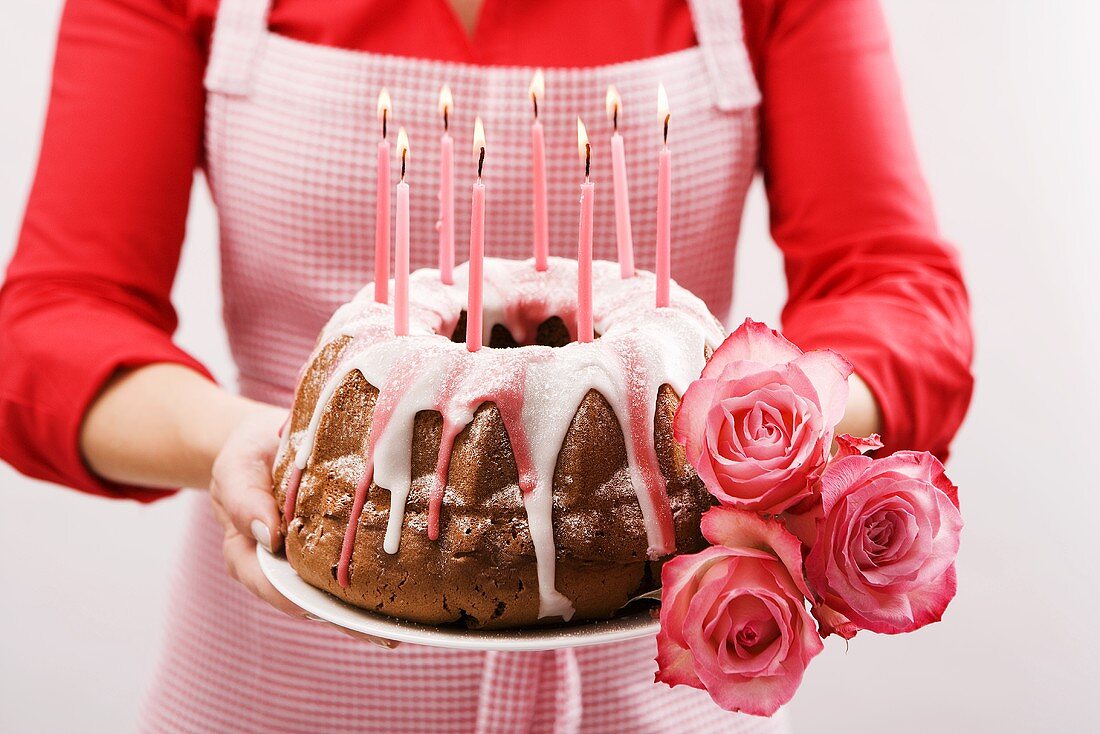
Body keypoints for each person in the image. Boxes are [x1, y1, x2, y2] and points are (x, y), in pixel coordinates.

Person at [0, 0, 973, 731]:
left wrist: (764, 433)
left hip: (660, 689)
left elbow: (894, 285)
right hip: (276, 686)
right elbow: (52, 319)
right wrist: (250, 438)